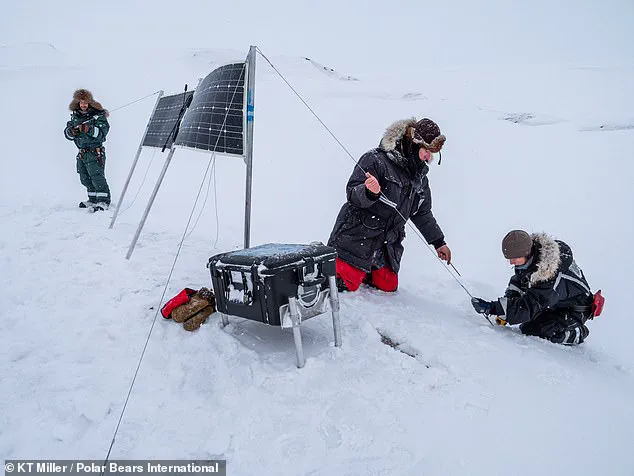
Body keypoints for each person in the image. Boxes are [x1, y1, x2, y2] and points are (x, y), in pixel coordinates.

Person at [328, 117, 451, 292]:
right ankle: (332, 260)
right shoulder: (376, 159)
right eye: (426, 150)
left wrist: (439, 242)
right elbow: (352, 194)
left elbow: (422, 213)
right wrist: (369, 192)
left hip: (387, 244)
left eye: (432, 154)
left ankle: (369, 266)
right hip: (357, 236)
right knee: (344, 285)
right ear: (415, 142)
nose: (428, 157)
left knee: (387, 286)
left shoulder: (420, 179)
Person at [471, 230, 594, 345]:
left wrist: (493, 308)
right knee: (526, 320)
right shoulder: (532, 259)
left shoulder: (550, 273)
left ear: (527, 253)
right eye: (509, 259)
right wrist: (509, 301)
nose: (511, 262)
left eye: (514, 259)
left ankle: (577, 332)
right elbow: (518, 281)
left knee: (534, 329)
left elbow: (527, 307)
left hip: (574, 310)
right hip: (553, 302)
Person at [64, 89, 111, 211]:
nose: (83, 105)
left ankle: (103, 201)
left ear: (89, 103)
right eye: (81, 102)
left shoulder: (98, 116)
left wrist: (87, 129)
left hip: (95, 152)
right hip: (82, 153)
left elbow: (102, 134)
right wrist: (70, 132)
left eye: (85, 102)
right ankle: (93, 199)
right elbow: (68, 134)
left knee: (97, 177)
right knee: (84, 177)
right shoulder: (75, 116)